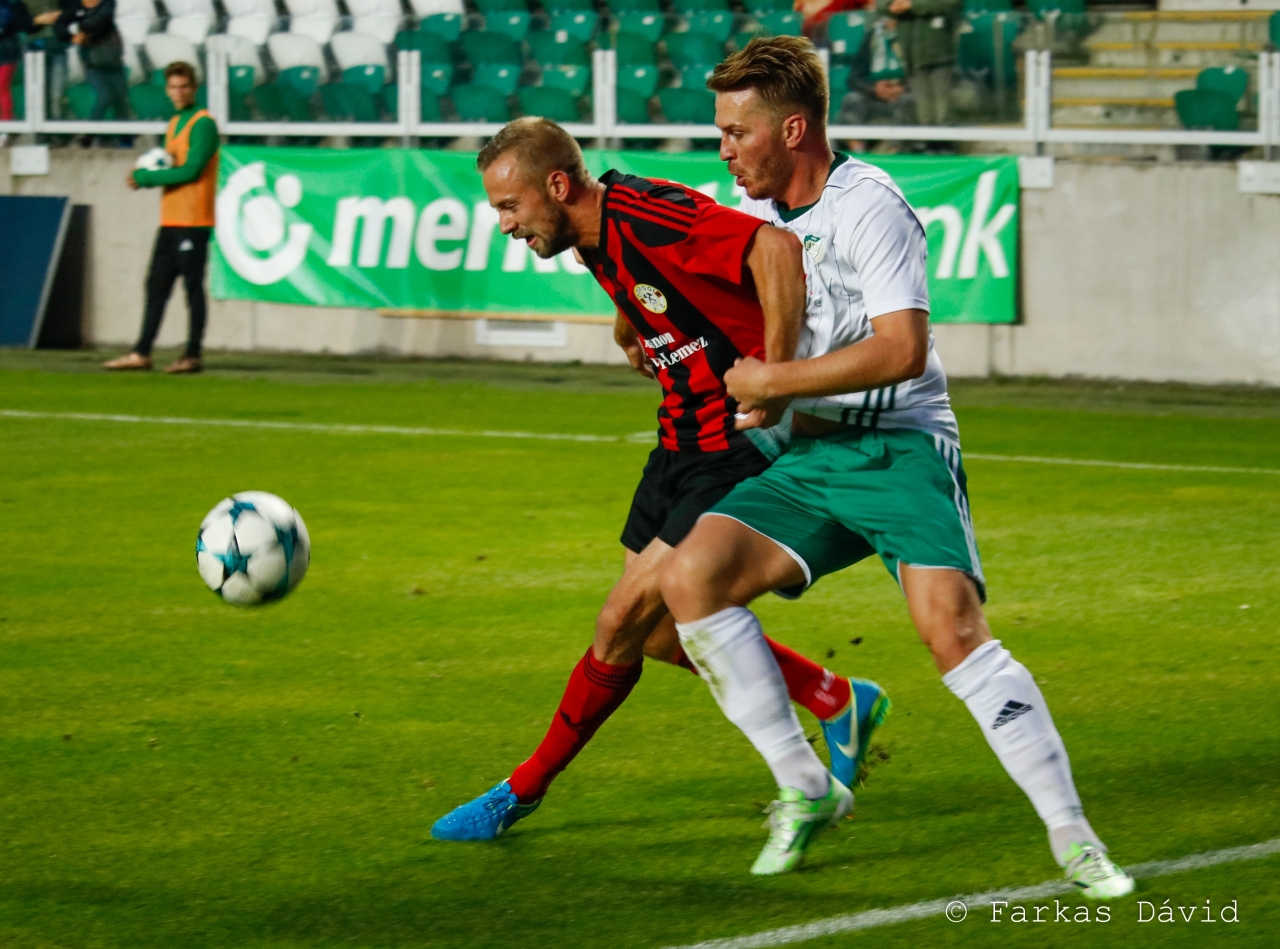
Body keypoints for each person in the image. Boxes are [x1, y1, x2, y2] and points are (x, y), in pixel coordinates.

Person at [658, 35, 1136, 894]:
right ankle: (805, 786)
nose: (723, 149)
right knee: (691, 577)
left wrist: (774, 379)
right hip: (811, 453)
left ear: (794, 129)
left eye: (737, 132)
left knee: (950, 632)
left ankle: (1075, 837)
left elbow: (902, 349)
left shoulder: (870, 205)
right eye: (721, 131)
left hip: (900, 443)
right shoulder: (742, 213)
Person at [430, 116, 891, 842]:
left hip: (732, 445)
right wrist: (630, 325)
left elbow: (774, 248)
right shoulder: (591, 234)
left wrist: (772, 376)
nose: (504, 224)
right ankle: (836, 696)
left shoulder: (644, 214)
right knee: (657, 636)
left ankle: (520, 790)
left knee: (619, 621)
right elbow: (649, 286)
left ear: (557, 185)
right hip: (678, 437)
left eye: (508, 206)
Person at [104, 62, 218, 374]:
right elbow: (173, 167)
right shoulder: (174, 123)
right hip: (171, 218)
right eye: (173, 87)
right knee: (156, 286)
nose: (179, 93)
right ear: (167, 90)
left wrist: (147, 177)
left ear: (195, 87)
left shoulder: (203, 124)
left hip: (194, 220)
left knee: (192, 287)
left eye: (184, 86)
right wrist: (150, 176)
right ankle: (142, 351)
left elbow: (192, 170)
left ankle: (193, 354)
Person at [37, 0, 131, 138]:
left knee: (121, 101)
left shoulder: (107, 4)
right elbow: (60, 24)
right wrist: (72, 37)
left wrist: (81, 29)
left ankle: (125, 139)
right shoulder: (75, 7)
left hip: (114, 61)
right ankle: (90, 135)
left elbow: (100, 21)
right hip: (93, 63)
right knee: (105, 96)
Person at [875, 0, 959, 126]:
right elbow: (880, 5)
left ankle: (944, 144)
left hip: (940, 54)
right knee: (924, 115)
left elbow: (953, 3)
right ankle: (929, 143)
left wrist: (912, 5)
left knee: (943, 114)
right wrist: (891, 5)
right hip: (912, 57)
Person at [0, 0, 33, 130]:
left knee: (2, 87)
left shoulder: (8, 6)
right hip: (7, 52)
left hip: (6, 54)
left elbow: (3, 26)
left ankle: (8, 123)